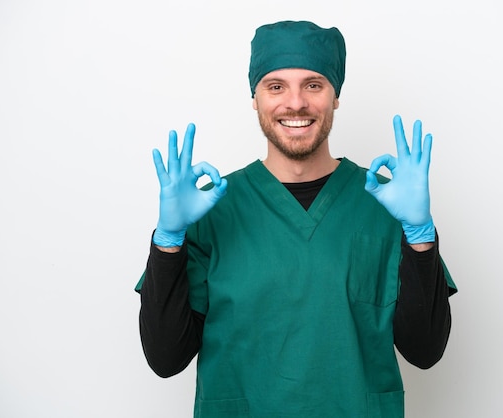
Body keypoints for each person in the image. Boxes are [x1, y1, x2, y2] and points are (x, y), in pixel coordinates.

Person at [135, 20, 457, 418]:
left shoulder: (387, 207)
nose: (295, 103)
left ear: (335, 95)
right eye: (276, 86)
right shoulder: (209, 212)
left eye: (313, 84)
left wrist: (420, 237)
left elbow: (424, 352)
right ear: (254, 97)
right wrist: (169, 241)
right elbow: (166, 359)